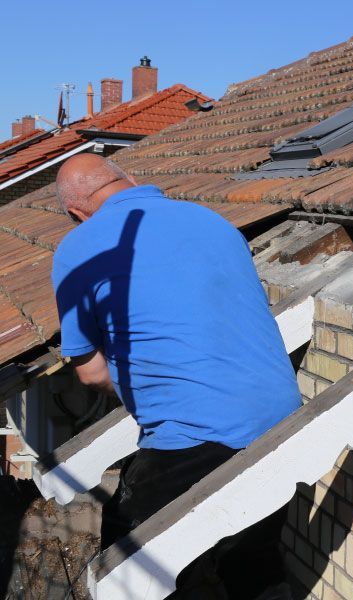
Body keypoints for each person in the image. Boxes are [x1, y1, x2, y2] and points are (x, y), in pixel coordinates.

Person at [51, 154, 301, 598]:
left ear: (76, 214)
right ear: (130, 180)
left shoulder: (80, 248)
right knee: (251, 555)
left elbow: (90, 373)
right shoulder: (210, 220)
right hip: (282, 417)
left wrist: (139, 390)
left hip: (197, 432)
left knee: (125, 564)